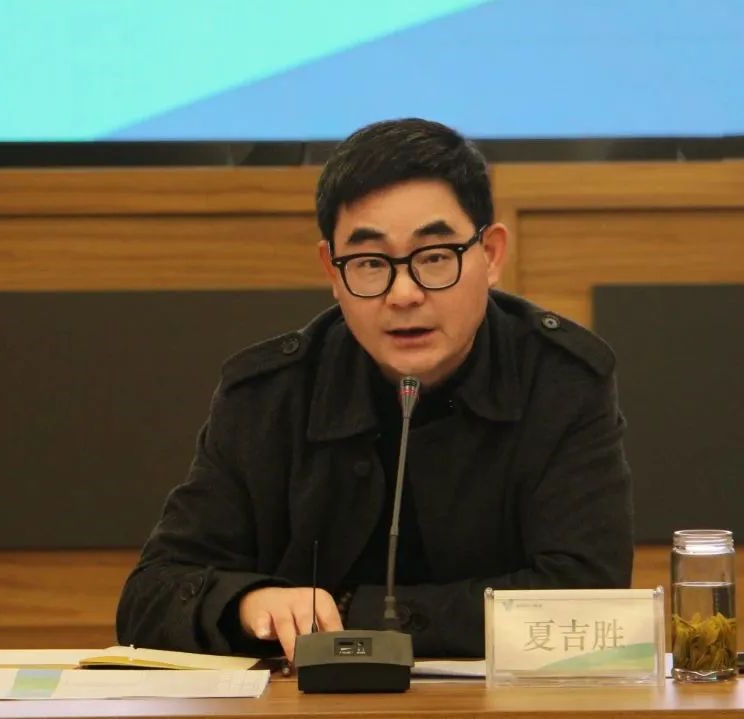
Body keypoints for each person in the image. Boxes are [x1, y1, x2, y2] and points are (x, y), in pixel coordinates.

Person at [116, 118, 633, 660]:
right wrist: (247, 604)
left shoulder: (561, 382)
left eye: (434, 257)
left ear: (491, 255)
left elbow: (588, 599)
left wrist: (353, 614)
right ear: (333, 272)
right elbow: (150, 596)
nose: (403, 294)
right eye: (369, 263)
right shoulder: (269, 397)